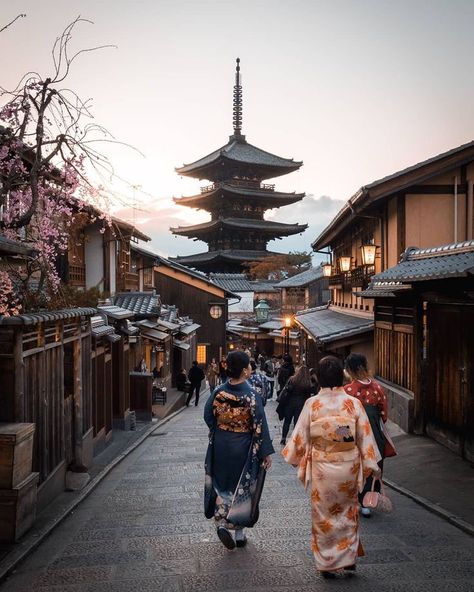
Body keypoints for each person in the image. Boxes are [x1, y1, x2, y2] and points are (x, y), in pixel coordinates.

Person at [282, 356, 381, 578]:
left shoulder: (313, 404)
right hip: (348, 466)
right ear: (342, 375)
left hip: (322, 468)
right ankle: (348, 560)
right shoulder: (353, 404)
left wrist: (297, 457)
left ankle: (327, 562)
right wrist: (371, 463)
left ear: (318, 377)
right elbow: (364, 437)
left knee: (323, 514)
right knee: (348, 511)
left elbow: (300, 439)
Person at [204, 351, 274, 550]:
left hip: (221, 444)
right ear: (244, 371)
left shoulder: (219, 392)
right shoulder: (251, 395)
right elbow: (259, 425)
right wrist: (265, 452)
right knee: (242, 487)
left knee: (221, 484)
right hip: (243, 446)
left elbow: (208, 415)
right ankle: (239, 533)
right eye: (249, 366)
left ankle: (221, 523)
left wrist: (218, 432)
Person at [344, 353, 396, 517]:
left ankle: (358, 501)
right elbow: (384, 414)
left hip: (355, 433)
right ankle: (368, 499)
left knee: (356, 466)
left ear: (350, 370)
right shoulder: (378, 388)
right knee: (374, 464)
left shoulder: (348, 390)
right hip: (375, 432)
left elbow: (343, 416)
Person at [277, 365, 317, 445]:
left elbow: (287, 389)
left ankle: (283, 438)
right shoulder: (308, 382)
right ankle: (295, 439)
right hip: (301, 404)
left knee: (287, 421)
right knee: (297, 423)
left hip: (290, 402)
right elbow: (311, 392)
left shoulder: (292, 379)